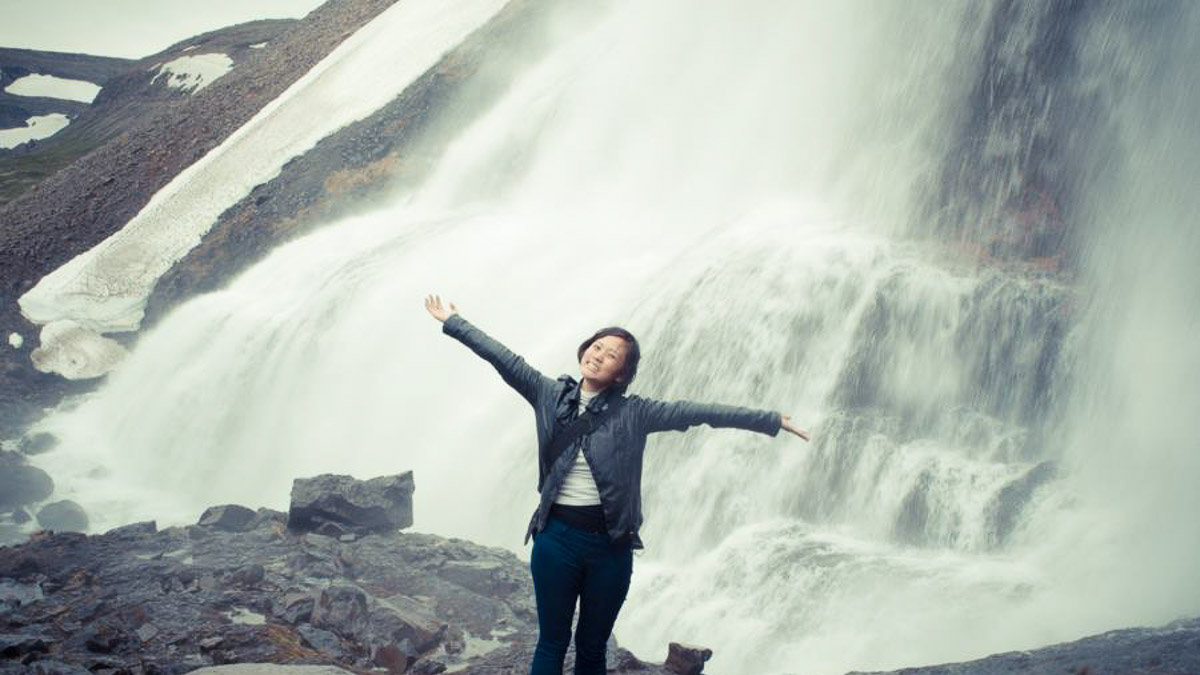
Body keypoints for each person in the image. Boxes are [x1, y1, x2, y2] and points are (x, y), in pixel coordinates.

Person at [424, 294, 810, 675]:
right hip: (555, 539)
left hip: (610, 547)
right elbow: (502, 358)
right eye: (596, 346)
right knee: (552, 643)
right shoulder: (547, 393)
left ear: (621, 374)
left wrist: (771, 420)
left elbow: (701, 412)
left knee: (593, 648)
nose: (598, 355)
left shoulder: (636, 413)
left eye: (610, 355)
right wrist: (454, 322)